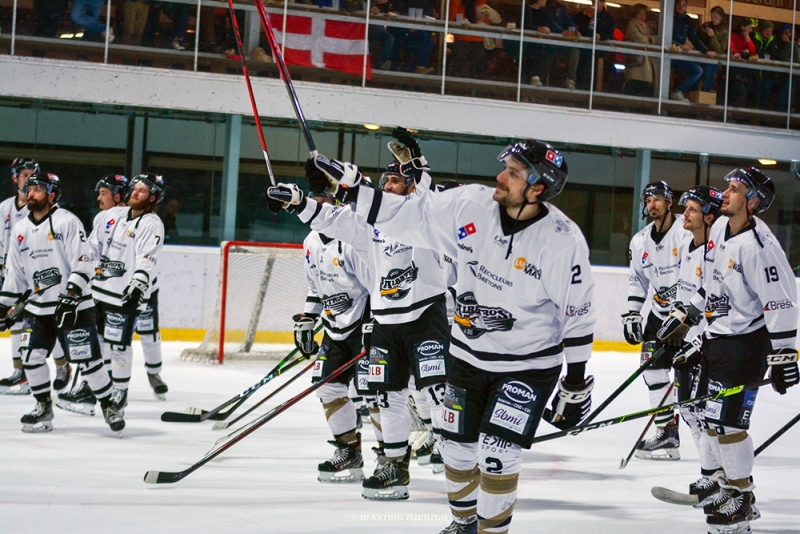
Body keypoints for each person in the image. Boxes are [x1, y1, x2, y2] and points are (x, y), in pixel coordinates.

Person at [273, 140, 596, 534]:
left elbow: (578, 315)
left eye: (513, 172)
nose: (500, 176)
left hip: (527, 366)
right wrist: (353, 190)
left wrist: (575, 384)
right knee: (456, 450)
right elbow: (412, 215)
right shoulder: (471, 204)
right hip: (468, 355)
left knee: (497, 452)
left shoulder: (562, 240)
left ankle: (490, 531)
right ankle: (463, 525)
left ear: (538, 187)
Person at [267, 130, 450, 501]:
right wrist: (298, 203)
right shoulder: (370, 226)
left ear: (412, 184)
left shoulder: (425, 218)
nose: (388, 182)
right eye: (386, 178)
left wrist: (417, 162)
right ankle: (395, 466)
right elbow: (333, 221)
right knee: (386, 396)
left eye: (396, 178)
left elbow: (429, 198)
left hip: (425, 317)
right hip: (386, 322)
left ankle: (452, 445)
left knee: (437, 389)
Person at [658, 168, 798, 533]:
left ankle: (743, 498)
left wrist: (784, 356)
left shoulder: (760, 248)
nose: (725, 194)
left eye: (734, 190)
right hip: (717, 340)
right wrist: (690, 317)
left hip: (746, 345)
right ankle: (727, 484)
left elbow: (782, 303)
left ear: (752, 203)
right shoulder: (720, 229)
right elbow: (712, 282)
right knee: (711, 421)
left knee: (729, 425)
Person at [0, 172, 124, 434]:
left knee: (88, 360)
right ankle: (43, 406)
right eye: (29, 189)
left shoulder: (67, 222)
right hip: (37, 309)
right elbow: (15, 273)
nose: (30, 193)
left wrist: (71, 294)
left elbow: (84, 261)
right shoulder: (21, 230)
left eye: (37, 189)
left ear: (52, 195)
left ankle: (108, 404)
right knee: (31, 359)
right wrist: (5, 306)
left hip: (74, 307)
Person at [295, 190, 373, 483]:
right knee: (326, 388)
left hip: (364, 322)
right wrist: (307, 319)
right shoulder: (310, 242)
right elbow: (316, 289)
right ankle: (349, 451)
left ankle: (388, 460)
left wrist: (373, 324)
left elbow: (376, 287)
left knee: (377, 393)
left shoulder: (352, 241)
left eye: (322, 206)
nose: (316, 212)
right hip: (333, 326)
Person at [88, 173, 166, 417]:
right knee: (98, 343)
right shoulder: (114, 216)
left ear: (152, 197)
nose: (135, 193)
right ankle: (96, 388)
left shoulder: (152, 224)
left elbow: (147, 257)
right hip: (101, 291)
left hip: (125, 295)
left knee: (120, 345)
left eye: (142, 191)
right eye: (134, 188)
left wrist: (138, 283)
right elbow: (93, 246)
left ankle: (120, 392)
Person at [622, 181, 691, 460]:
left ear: (670, 202)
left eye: (658, 199)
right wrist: (631, 312)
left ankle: (711, 440)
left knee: (690, 383)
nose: (652, 204)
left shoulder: (685, 234)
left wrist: (687, 315)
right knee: (652, 372)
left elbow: (698, 274)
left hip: (688, 319)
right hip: (658, 317)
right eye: (648, 199)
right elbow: (637, 280)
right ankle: (667, 433)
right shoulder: (639, 241)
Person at [671, 186, 725, 505]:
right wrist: (675, 328)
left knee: (704, 412)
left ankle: (715, 475)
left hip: (710, 346)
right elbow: (684, 292)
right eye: (685, 208)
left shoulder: (716, 253)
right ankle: (712, 472)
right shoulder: (687, 245)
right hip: (690, 342)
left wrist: (701, 341)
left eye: (691, 209)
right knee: (689, 411)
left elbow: (720, 307)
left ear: (709, 216)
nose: (685, 214)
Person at [669, 0, 717, 101]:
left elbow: (694, 38)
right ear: (675, 5)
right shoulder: (668, 17)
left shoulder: (688, 21)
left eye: (683, 5)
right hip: (669, 53)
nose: (681, 7)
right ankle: (668, 93)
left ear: (686, 7)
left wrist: (705, 51)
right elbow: (665, 36)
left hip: (680, 55)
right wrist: (679, 45)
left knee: (698, 71)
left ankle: (677, 91)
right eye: (679, 5)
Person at [573, 0, 616, 90]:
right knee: (580, 69)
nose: (594, 5)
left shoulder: (608, 18)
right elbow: (573, 22)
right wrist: (582, 14)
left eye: (596, 3)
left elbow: (610, 34)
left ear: (602, 3)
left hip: (598, 51)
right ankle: (579, 88)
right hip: (583, 48)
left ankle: (587, 90)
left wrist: (601, 36)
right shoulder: (587, 14)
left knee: (590, 71)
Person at [624, 4, 657, 97]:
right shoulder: (632, 24)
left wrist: (649, 38)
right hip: (636, 61)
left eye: (644, 14)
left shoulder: (647, 27)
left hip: (647, 61)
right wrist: (650, 39)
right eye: (640, 14)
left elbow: (654, 39)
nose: (642, 17)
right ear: (635, 14)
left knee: (645, 85)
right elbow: (641, 39)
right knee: (635, 85)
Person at [728, 18, 758, 108]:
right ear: (743, 27)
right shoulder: (733, 35)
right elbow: (731, 47)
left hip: (744, 70)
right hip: (734, 68)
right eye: (749, 28)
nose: (751, 30)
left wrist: (748, 40)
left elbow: (753, 51)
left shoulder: (749, 37)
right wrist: (739, 52)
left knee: (747, 91)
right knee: (739, 91)